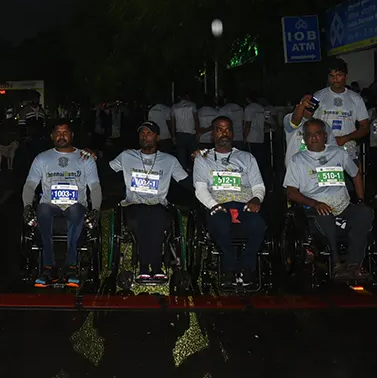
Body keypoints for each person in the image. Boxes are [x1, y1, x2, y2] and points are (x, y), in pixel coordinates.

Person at [284, 119, 372, 282]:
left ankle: (354, 264)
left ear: (325, 135)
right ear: (304, 138)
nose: (313, 138)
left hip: (342, 205)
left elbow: (355, 174)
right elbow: (291, 193)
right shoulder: (297, 160)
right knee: (324, 214)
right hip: (314, 207)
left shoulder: (338, 153)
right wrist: (314, 203)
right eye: (309, 135)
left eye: (317, 133)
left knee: (365, 212)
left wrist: (360, 199)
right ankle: (336, 264)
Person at [23, 120, 102, 289]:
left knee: (76, 211)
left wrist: (96, 209)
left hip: (75, 205)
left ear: (71, 135)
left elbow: (95, 186)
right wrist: (27, 205)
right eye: (58, 133)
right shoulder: (42, 158)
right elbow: (30, 184)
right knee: (42, 209)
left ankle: (71, 266)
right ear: (52, 136)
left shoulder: (85, 158)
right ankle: (48, 267)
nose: (61, 136)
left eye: (65, 132)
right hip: (50, 204)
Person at [109, 121, 189, 283]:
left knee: (156, 215)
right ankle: (149, 267)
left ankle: (151, 267)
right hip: (133, 205)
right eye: (142, 133)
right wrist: (90, 157)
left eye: (149, 133)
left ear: (157, 137)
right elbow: (106, 170)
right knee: (143, 216)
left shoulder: (169, 160)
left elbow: (186, 181)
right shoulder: (127, 156)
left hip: (158, 206)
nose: (145, 136)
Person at [193, 116, 266, 289]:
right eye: (219, 129)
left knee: (259, 225)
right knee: (221, 224)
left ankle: (247, 268)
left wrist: (256, 198)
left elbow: (258, 186)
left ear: (232, 133)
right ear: (212, 134)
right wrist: (214, 205)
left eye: (227, 129)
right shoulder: (203, 158)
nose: (223, 133)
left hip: (244, 205)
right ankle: (230, 268)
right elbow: (200, 188)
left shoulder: (247, 157)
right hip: (218, 206)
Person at [294, 58, 369, 162]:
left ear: (346, 76)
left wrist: (345, 138)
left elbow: (365, 127)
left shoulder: (356, 98)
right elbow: (306, 120)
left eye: (339, 75)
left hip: (348, 152)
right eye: (332, 76)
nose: (335, 79)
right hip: (323, 153)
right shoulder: (318, 96)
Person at [171, 92, 199, 169]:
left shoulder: (174, 107)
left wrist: (173, 136)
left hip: (180, 135)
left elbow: (173, 123)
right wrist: (198, 133)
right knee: (194, 157)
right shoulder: (192, 105)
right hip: (191, 135)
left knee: (181, 157)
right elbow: (196, 120)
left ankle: (182, 173)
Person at [243, 93, 268, 169]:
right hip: (260, 137)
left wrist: (245, 137)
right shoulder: (261, 108)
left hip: (251, 137)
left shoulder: (249, 108)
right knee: (259, 158)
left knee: (251, 159)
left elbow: (248, 124)